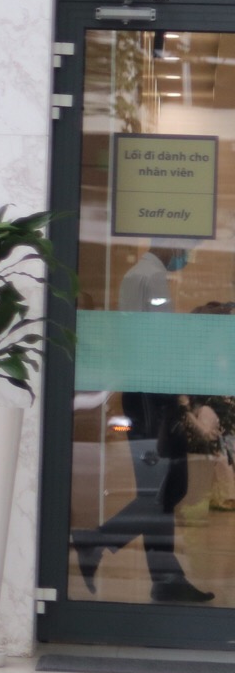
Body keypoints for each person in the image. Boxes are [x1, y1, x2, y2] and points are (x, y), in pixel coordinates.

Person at [74, 245, 215, 604]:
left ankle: (165, 578)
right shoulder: (150, 276)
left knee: (163, 492)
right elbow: (157, 340)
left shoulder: (139, 275)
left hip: (146, 392)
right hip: (153, 396)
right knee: (165, 490)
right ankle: (98, 542)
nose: (186, 253)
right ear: (168, 243)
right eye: (184, 246)